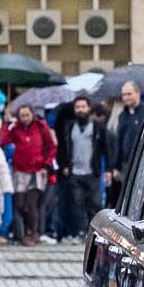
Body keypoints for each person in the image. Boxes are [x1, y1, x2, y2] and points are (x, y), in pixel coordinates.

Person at [0, 104, 57, 245]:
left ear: (32, 115)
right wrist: (6, 124)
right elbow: (4, 140)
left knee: (31, 203)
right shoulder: (16, 128)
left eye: (27, 115)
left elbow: (51, 145)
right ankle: (21, 233)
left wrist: (46, 161)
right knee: (19, 204)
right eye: (22, 116)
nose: (25, 118)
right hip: (20, 171)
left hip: (37, 170)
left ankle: (33, 232)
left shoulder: (41, 127)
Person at [54, 94, 108, 240]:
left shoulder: (98, 128)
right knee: (78, 205)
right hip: (75, 172)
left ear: (89, 108)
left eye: (83, 107)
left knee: (95, 203)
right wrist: (64, 165)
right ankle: (82, 232)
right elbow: (63, 147)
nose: (80, 110)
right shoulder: (70, 126)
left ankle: (96, 233)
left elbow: (106, 148)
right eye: (77, 107)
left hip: (92, 172)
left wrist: (108, 168)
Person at [106, 81, 144, 205]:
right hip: (125, 165)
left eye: (129, 94)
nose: (126, 97)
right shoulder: (122, 115)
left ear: (138, 93)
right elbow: (119, 142)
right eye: (124, 95)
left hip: (143, 163)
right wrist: (115, 167)